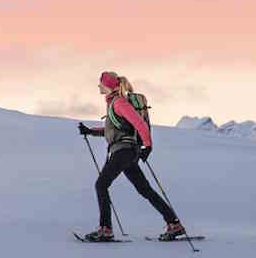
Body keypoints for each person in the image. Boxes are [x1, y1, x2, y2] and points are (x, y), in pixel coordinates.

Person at [78, 71, 186, 242]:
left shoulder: (119, 103)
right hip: (127, 152)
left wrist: (148, 145)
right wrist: (90, 131)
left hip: (124, 152)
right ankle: (174, 224)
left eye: (101, 83)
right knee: (145, 190)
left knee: (101, 185)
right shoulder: (114, 103)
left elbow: (139, 123)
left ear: (108, 85)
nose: (99, 86)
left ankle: (105, 229)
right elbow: (114, 131)